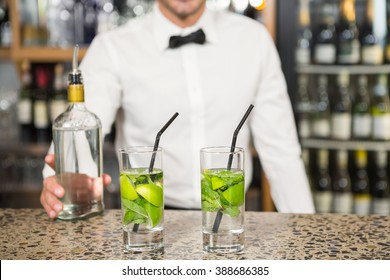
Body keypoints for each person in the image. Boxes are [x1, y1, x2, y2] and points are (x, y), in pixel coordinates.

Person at [41, 0, 315, 218]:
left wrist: (308, 233)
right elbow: (80, 128)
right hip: (148, 219)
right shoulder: (113, 47)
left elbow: (282, 152)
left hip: (232, 216)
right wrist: (59, 181)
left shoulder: (254, 40)